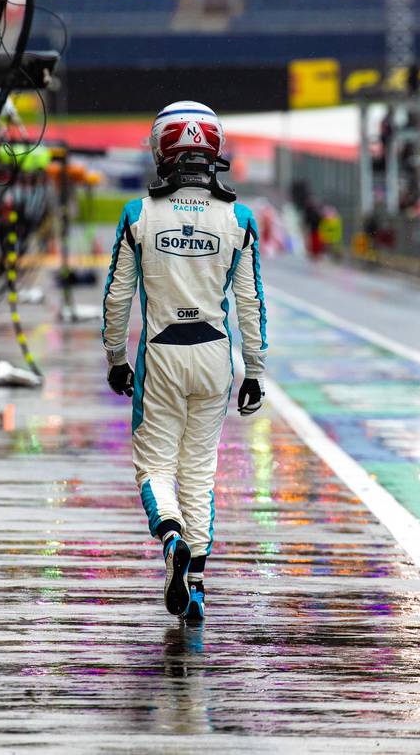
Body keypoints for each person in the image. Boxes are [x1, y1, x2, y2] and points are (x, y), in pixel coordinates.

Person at [102, 100, 268, 625]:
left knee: (155, 466)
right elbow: (251, 303)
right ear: (214, 149)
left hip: (162, 355)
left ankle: (170, 535)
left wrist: (115, 357)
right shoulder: (238, 218)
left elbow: (116, 297)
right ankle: (194, 584)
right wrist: (256, 371)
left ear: (161, 150)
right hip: (216, 357)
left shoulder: (139, 215)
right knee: (199, 472)